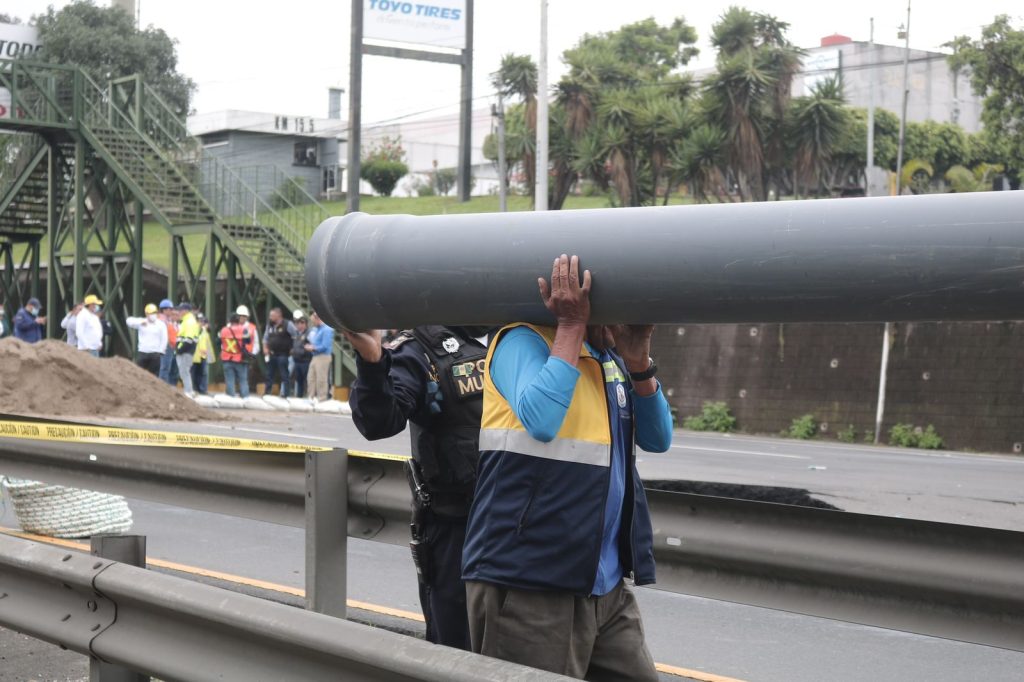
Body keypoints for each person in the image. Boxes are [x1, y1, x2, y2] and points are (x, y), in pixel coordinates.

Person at [462, 254, 673, 681]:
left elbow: (658, 438)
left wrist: (638, 364)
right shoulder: (520, 342)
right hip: (530, 583)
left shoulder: (608, 359)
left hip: (603, 585)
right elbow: (540, 419)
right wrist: (572, 328)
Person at [345, 323, 490, 650]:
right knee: (456, 652)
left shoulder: (523, 333)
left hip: (521, 527)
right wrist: (372, 362)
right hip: (457, 531)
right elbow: (379, 421)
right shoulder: (420, 348)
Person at [263, 307, 297, 397]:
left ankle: (286, 394)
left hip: (283, 354)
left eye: (272, 315)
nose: (270, 317)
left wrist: (293, 348)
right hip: (271, 353)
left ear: (278, 315)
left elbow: (295, 335)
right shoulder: (269, 325)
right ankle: (267, 393)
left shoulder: (287, 324)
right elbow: (265, 338)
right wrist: (265, 348)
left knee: (284, 374)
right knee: (269, 374)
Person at [126, 303, 168, 376]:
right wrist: (140, 322)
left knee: (154, 375)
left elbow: (164, 338)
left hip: (155, 353)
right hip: (143, 352)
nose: (153, 315)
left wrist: (161, 350)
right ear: (146, 314)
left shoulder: (161, 324)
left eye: (154, 313)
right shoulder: (142, 321)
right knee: (139, 374)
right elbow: (128, 321)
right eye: (151, 313)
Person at [220, 313, 254, 398]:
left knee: (229, 380)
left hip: (226, 358)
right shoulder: (244, 329)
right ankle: (245, 398)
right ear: (238, 320)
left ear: (229, 320)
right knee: (243, 380)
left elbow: (219, 341)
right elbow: (248, 341)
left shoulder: (224, 330)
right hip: (239, 359)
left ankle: (231, 398)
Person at [305, 312, 334, 401]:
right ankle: (311, 396)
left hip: (323, 356)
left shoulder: (327, 330)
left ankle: (322, 398)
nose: (313, 323)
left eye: (313, 321)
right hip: (315, 356)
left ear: (318, 319)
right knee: (310, 377)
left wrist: (313, 348)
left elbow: (325, 346)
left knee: (321, 378)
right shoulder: (316, 329)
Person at [174, 302, 201, 397]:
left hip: (185, 351)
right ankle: (189, 391)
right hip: (186, 351)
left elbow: (188, 340)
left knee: (184, 372)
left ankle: (189, 392)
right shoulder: (188, 321)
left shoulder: (189, 322)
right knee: (184, 372)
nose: (179, 312)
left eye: (180, 310)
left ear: (185, 311)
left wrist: (179, 349)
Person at [191, 314, 215, 395]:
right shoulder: (193, 330)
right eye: (200, 321)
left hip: (202, 356)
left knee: (203, 373)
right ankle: (194, 389)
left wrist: (210, 356)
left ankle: (203, 390)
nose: (201, 323)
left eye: (202, 321)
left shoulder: (205, 332)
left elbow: (208, 344)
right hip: (194, 356)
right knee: (194, 373)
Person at [158, 299, 180, 385]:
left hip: (171, 347)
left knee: (169, 369)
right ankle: (163, 387)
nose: (171, 311)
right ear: (164, 310)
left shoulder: (168, 320)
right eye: (170, 309)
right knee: (165, 368)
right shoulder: (161, 320)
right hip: (166, 346)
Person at [290, 315, 313, 398]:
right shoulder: (296, 333)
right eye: (298, 323)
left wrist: (303, 351)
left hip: (305, 361)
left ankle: (307, 397)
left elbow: (312, 345)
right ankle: (299, 396)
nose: (300, 325)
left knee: (307, 380)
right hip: (296, 360)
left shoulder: (309, 333)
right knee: (298, 380)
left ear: (306, 324)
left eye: (302, 323)